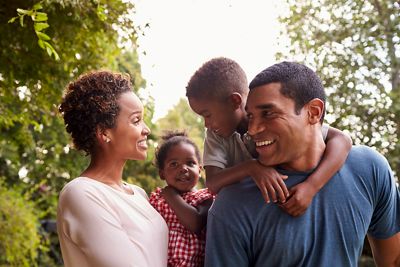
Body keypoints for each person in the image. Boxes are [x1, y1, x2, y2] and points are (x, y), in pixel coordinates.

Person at [204, 61, 400, 266]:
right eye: (250, 116)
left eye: (268, 113)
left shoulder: (369, 168)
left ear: (314, 112)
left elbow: (393, 260)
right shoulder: (231, 205)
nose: (252, 130)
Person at [186, 57, 352, 216]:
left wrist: (312, 185)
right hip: (246, 211)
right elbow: (213, 183)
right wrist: (252, 168)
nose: (206, 124)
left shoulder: (278, 122)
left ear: (234, 101)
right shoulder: (217, 135)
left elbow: (342, 140)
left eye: (207, 115)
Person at [57, 71, 168, 267]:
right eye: (136, 120)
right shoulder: (82, 194)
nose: (146, 129)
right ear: (104, 133)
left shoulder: (139, 194)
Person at [149, 131, 214, 267]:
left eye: (190, 163)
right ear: (162, 173)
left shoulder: (205, 198)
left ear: (200, 170)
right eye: (174, 164)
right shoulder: (156, 200)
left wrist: (171, 195)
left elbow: (195, 223)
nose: (184, 168)